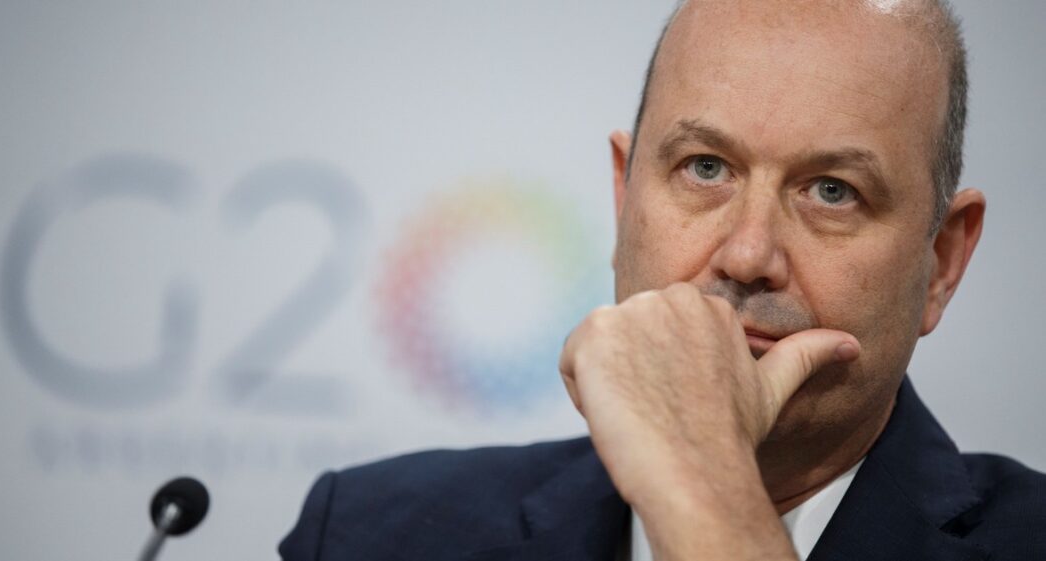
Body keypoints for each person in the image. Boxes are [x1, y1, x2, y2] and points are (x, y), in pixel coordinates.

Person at [280, 1, 1046, 559]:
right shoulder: (366, 533)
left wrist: (704, 490)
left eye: (832, 190)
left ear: (942, 261)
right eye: (705, 168)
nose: (748, 255)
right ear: (624, 197)